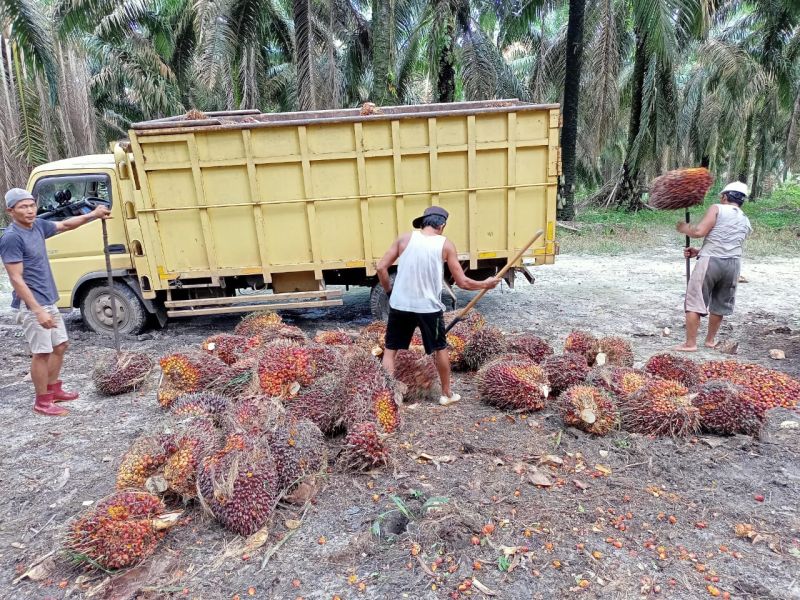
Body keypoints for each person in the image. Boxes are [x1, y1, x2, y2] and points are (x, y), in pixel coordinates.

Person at [1, 188, 111, 416]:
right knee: (41, 353)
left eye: (31, 205)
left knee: (60, 345)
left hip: (47, 299)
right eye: (23, 207)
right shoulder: (12, 237)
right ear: (10, 211)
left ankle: (53, 389)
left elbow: (65, 225)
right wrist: (37, 310)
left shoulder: (38, 226)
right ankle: (42, 402)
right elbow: (16, 278)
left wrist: (93, 214)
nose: (30, 210)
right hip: (33, 304)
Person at [376, 206, 500, 405]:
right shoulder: (446, 245)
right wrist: (486, 283)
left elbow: (381, 267)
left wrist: (390, 292)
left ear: (424, 223)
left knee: (391, 350)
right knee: (440, 348)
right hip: (428, 308)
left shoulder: (404, 239)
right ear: (441, 225)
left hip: (400, 305)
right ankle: (447, 394)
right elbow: (463, 282)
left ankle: (387, 397)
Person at [675, 181, 752, 352]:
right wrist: (699, 251)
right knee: (720, 302)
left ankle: (690, 343)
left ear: (725, 196)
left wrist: (684, 228)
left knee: (695, 299)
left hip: (710, 262)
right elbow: (729, 242)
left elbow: (698, 232)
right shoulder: (745, 219)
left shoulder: (717, 208)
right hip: (733, 264)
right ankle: (710, 340)